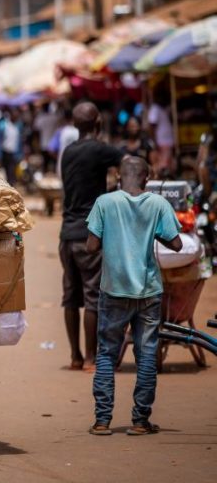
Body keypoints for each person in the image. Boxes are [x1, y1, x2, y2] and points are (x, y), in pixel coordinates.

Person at [86, 157, 182, 436]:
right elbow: (176, 244)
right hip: (148, 291)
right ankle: (140, 421)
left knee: (107, 353)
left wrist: (114, 235)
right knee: (147, 354)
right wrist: (151, 232)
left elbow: (91, 246)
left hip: (113, 290)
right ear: (147, 179)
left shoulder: (104, 202)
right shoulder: (158, 204)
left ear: (118, 177)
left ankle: (102, 421)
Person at [60, 102, 124, 371]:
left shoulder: (68, 152)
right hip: (89, 235)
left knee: (70, 298)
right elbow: (130, 162)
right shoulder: (99, 149)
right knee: (92, 297)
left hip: (67, 235)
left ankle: (75, 356)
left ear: (75, 125)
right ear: (97, 123)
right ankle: (90, 358)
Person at [147, 96, 175, 177]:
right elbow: (152, 125)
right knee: (162, 167)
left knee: (168, 166)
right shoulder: (155, 108)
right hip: (161, 142)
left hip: (166, 142)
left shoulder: (163, 109)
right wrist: (154, 141)